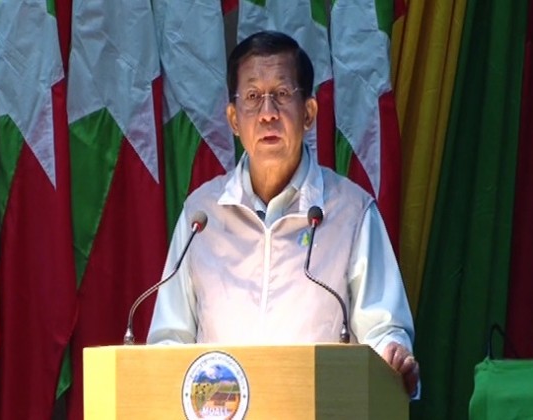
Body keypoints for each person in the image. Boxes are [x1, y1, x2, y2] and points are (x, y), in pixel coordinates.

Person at [147, 30, 420, 397]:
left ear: (308, 113)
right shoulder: (202, 216)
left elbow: (382, 329)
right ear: (233, 119)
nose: (268, 114)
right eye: (253, 97)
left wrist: (393, 353)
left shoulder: (351, 212)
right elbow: (169, 340)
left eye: (282, 94)